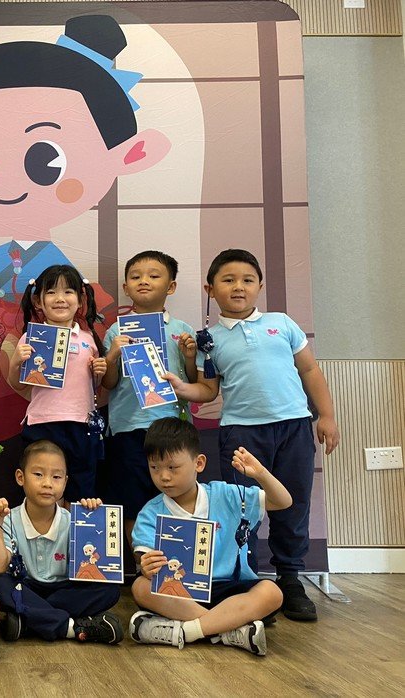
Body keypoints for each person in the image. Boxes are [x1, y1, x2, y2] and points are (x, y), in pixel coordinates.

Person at [0, 14, 170, 302]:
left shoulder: (53, 262)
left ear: (128, 155)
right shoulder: (14, 251)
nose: (7, 187)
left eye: (44, 162)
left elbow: (72, 297)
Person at [167, 249, 340, 621]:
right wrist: (182, 388)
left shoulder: (282, 323)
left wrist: (326, 415)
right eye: (228, 280)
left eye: (247, 280)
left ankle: (289, 579)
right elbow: (208, 390)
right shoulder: (208, 340)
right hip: (242, 434)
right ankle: (245, 582)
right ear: (210, 289)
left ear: (259, 285)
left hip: (294, 427)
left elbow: (310, 370)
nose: (238, 287)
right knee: (243, 508)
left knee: (293, 503)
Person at [130, 418, 291, 655]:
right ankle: (227, 629)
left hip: (230, 588)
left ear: (199, 463)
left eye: (172, 468)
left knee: (272, 592)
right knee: (140, 587)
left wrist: (261, 474)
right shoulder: (151, 512)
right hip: (181, 594)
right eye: (155, 468)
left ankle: (189, 632)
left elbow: (283, 501)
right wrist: (147, 567)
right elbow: (144, 558)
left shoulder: (226, 494)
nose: (163, 476)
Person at [101, 251, 197, 543]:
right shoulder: (116, 331)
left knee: (176, 496)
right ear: (126, 287)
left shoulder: (182, 330)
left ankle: (175, 558)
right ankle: (141, 561)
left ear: (171, 287)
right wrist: (112, 355)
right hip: (128, 427)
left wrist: (189, 356)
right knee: (131, 500)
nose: (144, 281)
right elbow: (108, 383)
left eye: (154, 276)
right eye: (135, 277)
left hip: (172, 426)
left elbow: (194, 381)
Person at [0, 440, 123, 644]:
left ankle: (30, 620)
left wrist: (94, 518)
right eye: (38, 474)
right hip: (27, 587)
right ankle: (71, 627)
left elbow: (96, 565)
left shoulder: (73, 520)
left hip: (64, 590)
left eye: (56, 477)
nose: (48, 483)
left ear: (65, 482)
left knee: (110, 589)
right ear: (20, 477)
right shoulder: (9, 518)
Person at [7, 265, 106, 501]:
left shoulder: (88, 338)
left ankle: (73, 526)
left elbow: (94, 386)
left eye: (68, 292)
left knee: (81, 489)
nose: (60, 298)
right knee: (41, 490)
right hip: (43, 423)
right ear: (38, 301)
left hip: (81, 423)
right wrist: (16, 362)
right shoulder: (31, 337)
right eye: (51, 292)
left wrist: (99, 372)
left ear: (80, 300)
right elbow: (17, 385)